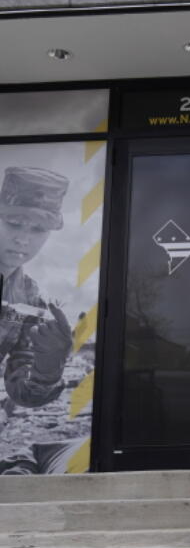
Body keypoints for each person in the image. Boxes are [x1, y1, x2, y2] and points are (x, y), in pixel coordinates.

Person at [0, 167, 74, 475]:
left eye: (37, 231)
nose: (22, 239)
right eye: (14, 223)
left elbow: (23, 394)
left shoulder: (29, 296)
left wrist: (48, 368)